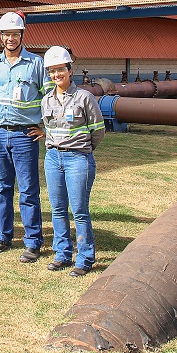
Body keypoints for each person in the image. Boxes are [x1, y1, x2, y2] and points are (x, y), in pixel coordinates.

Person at [0, 11, 47, 263]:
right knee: (2, 189)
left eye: (15, 34)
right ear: (1, 36)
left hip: (24, 136)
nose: (10, 38)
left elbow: (51, 97)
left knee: (28, 191)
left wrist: (45, 128)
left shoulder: (36, 64)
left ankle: (32, 242)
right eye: (6, 34)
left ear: (21, 35)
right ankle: (3, 237)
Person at [41, 46, 105, 277]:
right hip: (53, 158)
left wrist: (83, 150)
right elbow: (48, 129)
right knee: (58, 209)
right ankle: (62, 254)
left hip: (78, 158)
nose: (57, 75)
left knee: (79, 210)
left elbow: (98, 131)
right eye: (52, 71)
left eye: (60, 70)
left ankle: (85, 257)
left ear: (70, 70)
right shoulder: (46, 100)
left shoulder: (84, 98)